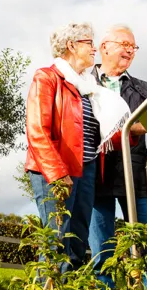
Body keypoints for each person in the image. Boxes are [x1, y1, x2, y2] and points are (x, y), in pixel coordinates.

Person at [25, 22, 130, 271]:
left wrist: (129, 133)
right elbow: (37, 129)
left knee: (78, 242)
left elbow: (96, 131)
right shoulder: (48, 77)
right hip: (56, 171)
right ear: (71, 45)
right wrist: (58, 173)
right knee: (56, 240)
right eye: (89, 42)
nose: (95, 49)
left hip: (86, 169)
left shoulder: (88, 87)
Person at [88, 24, 147, 290]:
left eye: (133, 47)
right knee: (101, 250)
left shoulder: (142, 88)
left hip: (136, 175)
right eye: (124, 45)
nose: (130, 51)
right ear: (104, 48)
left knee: (146, 244)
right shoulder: (84, 84)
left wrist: (140, 124)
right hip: (97, 177)